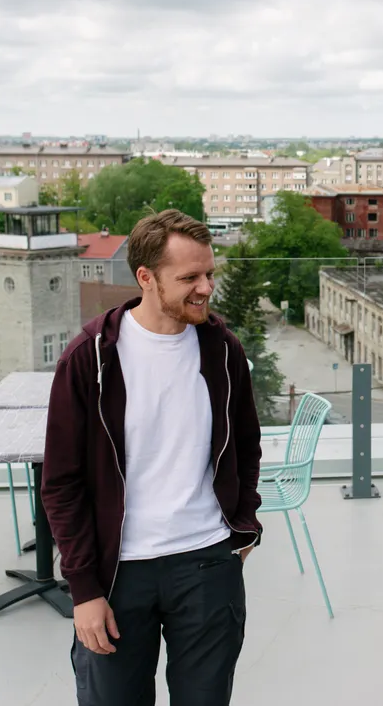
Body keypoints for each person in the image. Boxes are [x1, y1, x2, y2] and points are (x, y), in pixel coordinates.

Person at [43, 209, 262, 706]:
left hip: (207, 564)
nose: (206, 287)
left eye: (209, 273)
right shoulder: (89, 358)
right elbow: (61, 483)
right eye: (189, 278)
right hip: (118, 573)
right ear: (146, 277)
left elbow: (247, 444)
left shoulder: (223, 351)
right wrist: (83, 589)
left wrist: (243, 522)